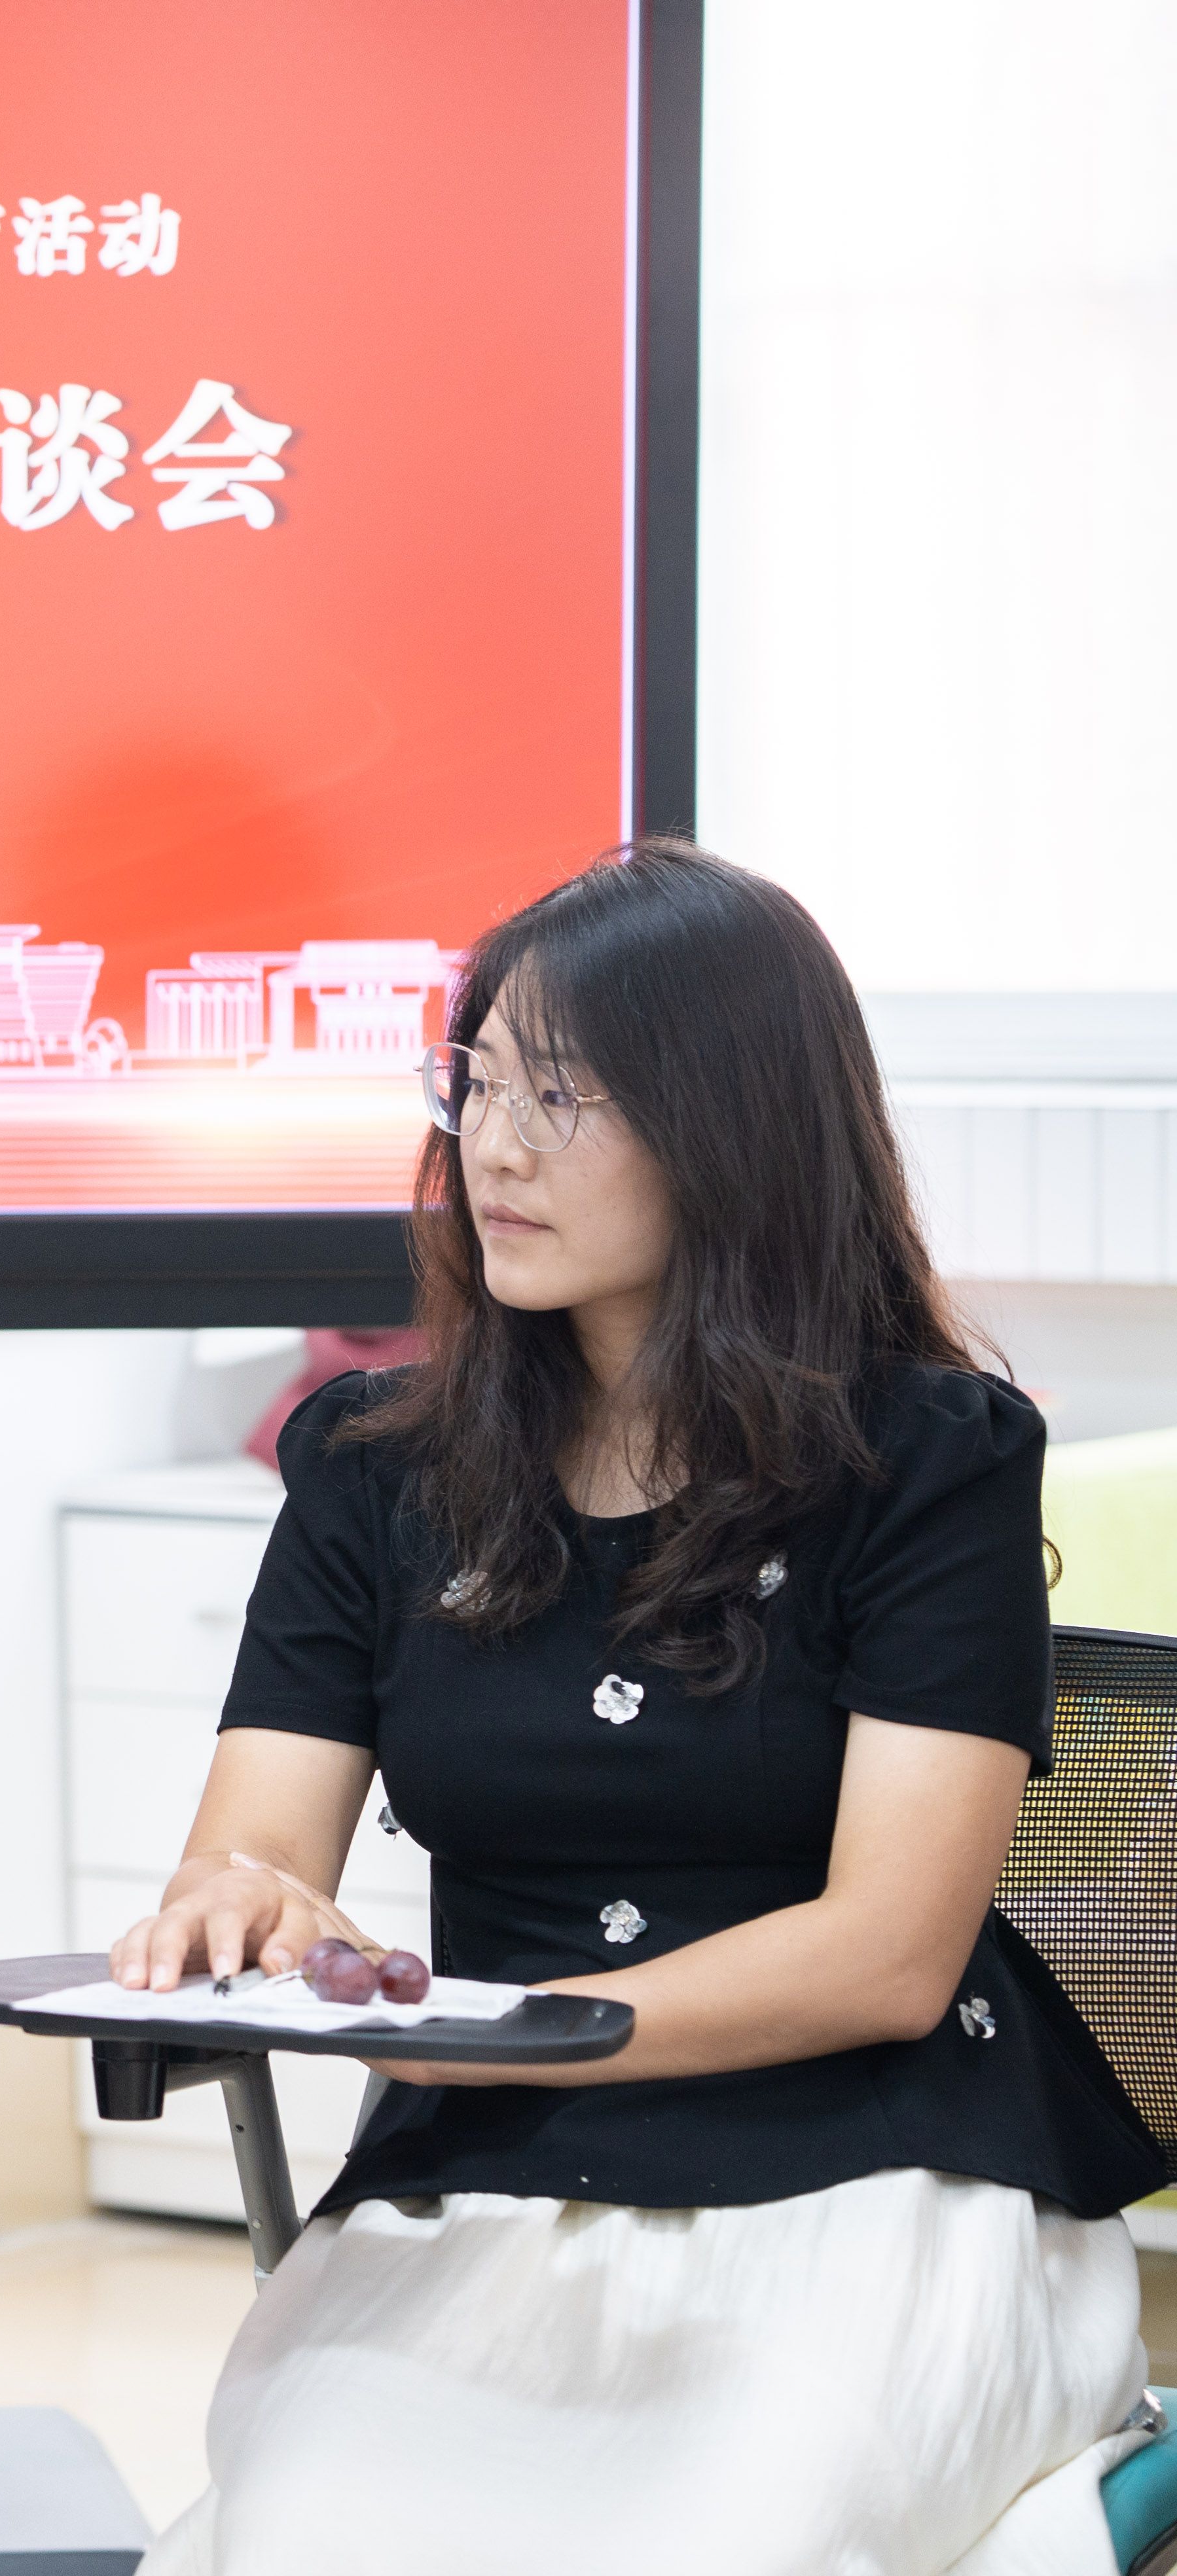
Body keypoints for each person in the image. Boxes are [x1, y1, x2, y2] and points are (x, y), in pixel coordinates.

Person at [114, 841, 1166, 2575]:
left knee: (710, 2534)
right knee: (311, 2534)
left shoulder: (928, 1461)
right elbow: (255, 1855)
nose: (494, 1146)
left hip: (880, 2183)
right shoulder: (375, 1472)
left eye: (564, 1096)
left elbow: (891, 1955)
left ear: (733, 1128)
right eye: (475, 1084)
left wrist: (505, 2023)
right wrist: (252, 1914)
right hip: (494, 2176)